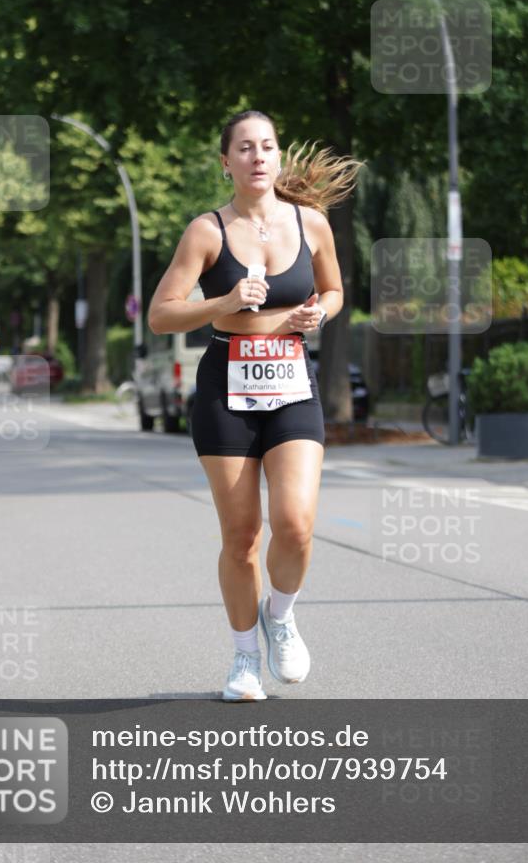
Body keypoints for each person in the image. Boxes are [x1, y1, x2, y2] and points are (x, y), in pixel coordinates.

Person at [148, 110, 363, 700]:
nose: (258, 156)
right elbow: (162, 314)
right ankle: (244, 660)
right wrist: (224, 299)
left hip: (291, 382)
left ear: (279, 158)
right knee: (242, 535)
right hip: (226, 389)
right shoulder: (207, 232)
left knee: (294, 526)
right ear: (227, 161)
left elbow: (336, 290)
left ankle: (282, 615)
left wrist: (320, 312)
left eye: (268, 146)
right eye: (245, 148)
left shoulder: (312, 223)